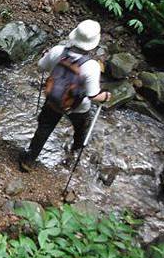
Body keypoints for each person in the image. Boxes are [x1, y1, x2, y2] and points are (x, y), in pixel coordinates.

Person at [19, 19, 111, 172]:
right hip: (78, 107)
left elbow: (40, 67)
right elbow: (93, 95)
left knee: (44, 128)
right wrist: (105, 96)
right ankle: (75, 150)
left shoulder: (57, 51)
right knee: (80, 129)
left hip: (54, 100)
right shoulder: (92, 66)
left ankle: (28, 161)